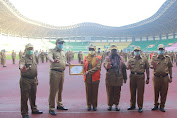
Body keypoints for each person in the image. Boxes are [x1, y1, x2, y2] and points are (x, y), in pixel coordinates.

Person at [19, 43, 43, 118]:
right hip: (26, 80)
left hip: (33, 80)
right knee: (25, 97)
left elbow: (35, 69)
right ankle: (24, 113)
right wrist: (22, 68)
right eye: (29, 49)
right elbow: (21, 65)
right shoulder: (23, 58)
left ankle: (34, 109)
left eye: (31, 49)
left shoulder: (34, 58)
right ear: (25, 50)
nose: (30, 50)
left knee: (33, 96)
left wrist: (36, 79)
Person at [47, 38, 68, 116]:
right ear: (56, 43)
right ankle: (51, 108)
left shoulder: (63, 52)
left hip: (62, 72)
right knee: (53, 90)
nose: (61, 44)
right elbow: (49, 56)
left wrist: (66, 63)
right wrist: (53, 61)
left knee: (60, 89)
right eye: (60, 43)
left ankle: (59, 104)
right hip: (54, 72)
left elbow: (64, 60)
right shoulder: (52, 51)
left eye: (62, 43)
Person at [103, 45, 127, 111]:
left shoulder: (121, 58)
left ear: (117, 51)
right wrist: (107, 66)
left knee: (117, 92)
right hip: (110, 78)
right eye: (112, 50)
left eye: (115, 50)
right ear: (111, 51)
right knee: (110, 92)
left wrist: (125, 78)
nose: (114, 51)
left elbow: (124, 68)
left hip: (118, 78)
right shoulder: (108, 58)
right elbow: (105, 64)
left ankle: (116, 104)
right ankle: (110, 105)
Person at [127, 46, 150, 113]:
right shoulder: (130, 59)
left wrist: (148, 78)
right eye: (135, 51)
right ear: (133, 51)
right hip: (132, 76)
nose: (136, 52)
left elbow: (147, 69)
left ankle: (140, 106)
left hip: (141, 76)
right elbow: (127, 67)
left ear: (140, 51)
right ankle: (132, 105)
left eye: (138, 51)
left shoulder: (144, 59)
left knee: (140, 92)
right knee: (132, 91)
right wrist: (128, 67)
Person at [150, 44, 173, 112]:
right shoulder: (154, 57)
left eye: (162, 49)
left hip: (165, 77)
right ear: (157, 50)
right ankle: (155, 105)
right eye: (159, 49)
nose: (161, 51)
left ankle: (162, 105)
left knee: (164, 92)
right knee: (155, 91)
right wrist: (152, 66)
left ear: (164, 50)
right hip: (156, 77)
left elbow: (170, 67)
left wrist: (171, 76)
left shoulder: (167, 58)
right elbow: (150, 65)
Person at [81, 44, 102, 111]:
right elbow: (84, 67)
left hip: (95, 78)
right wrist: (81, 65)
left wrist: (89, 72)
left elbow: (98, 67)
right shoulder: (86, 57)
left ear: (95, 50)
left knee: (95, 92)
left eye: (92, 49)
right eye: (90, 49)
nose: (91, 51)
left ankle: (94, 105)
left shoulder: (98, 57)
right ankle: (89, 105)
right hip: (87, 78)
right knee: (88, 92)